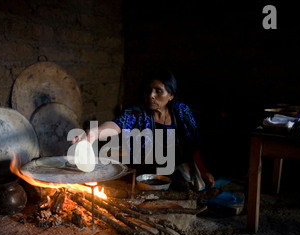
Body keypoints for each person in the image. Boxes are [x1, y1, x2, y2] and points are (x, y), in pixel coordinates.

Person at [71, 68, 215, 191]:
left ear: (171, 95)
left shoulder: (181, 112)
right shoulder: (138, 112)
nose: (151, 95)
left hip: (176, 169)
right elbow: (116, 125)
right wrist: (94, 133)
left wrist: (203, 172)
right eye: (148, 90)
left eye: (158, 91)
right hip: (146, 173)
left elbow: (194, 146)